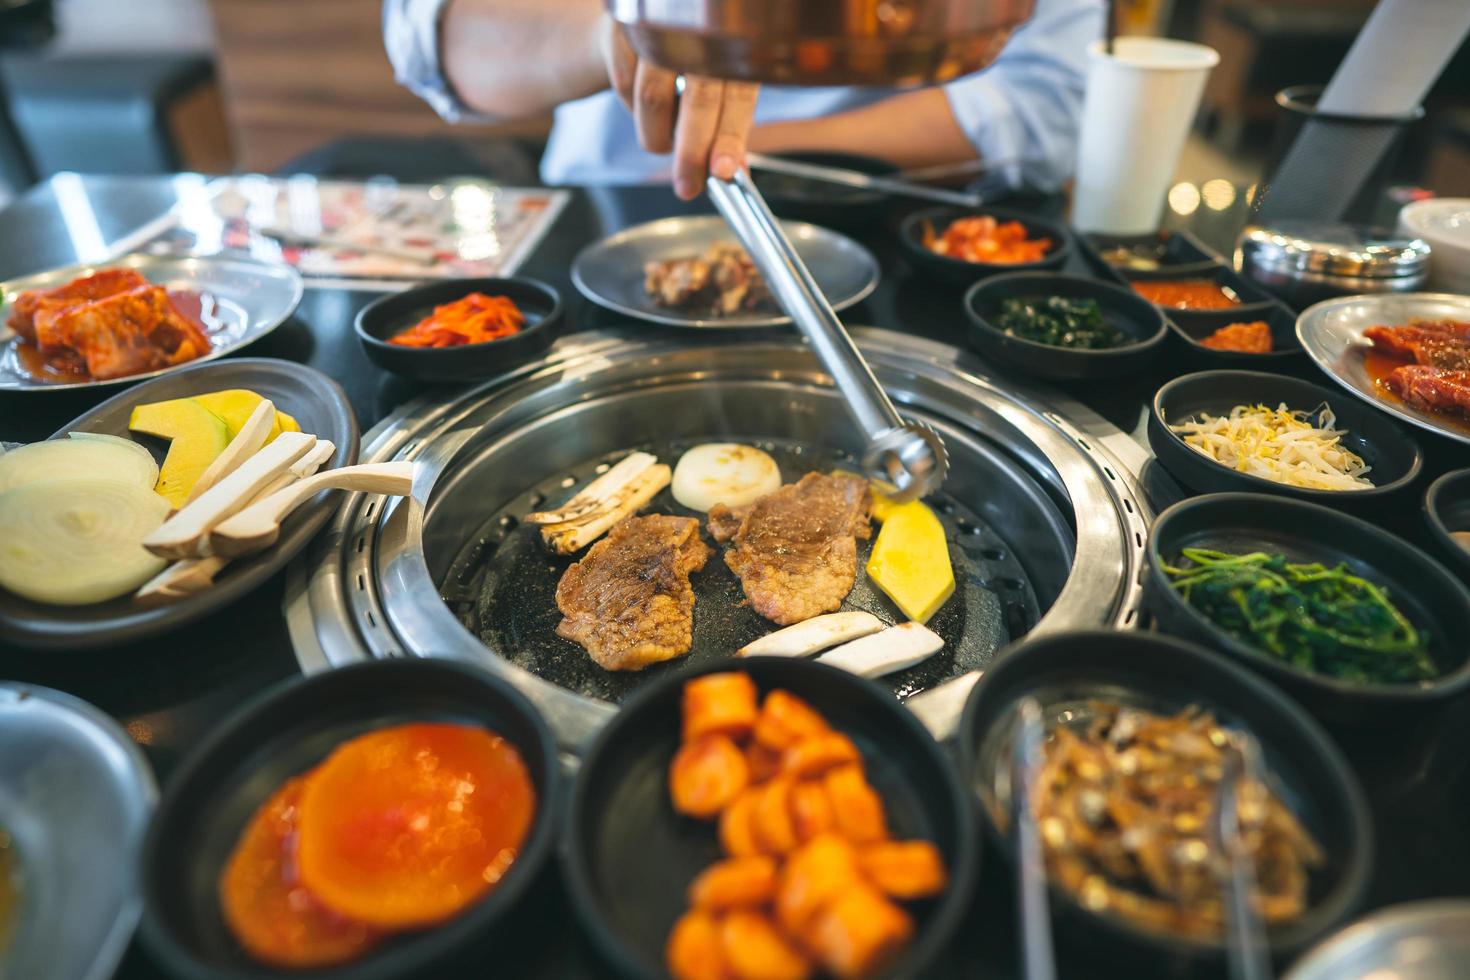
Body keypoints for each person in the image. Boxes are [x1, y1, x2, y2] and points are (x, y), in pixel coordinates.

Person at [384, 0, 1101, 200]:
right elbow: (426, 34)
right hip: (618, 198)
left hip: (900, 216)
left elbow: (1048, 103)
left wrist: (745, 152)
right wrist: (621, 34)